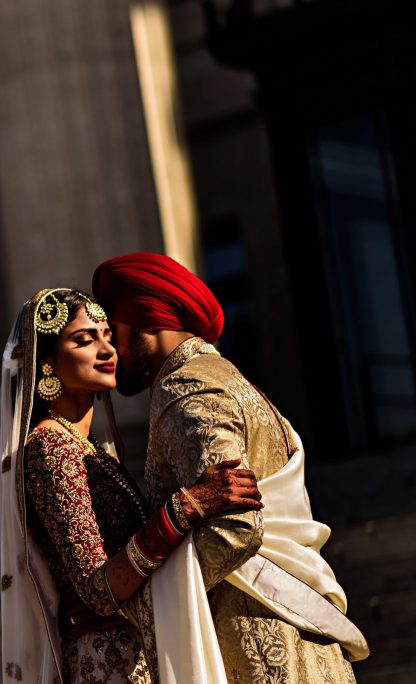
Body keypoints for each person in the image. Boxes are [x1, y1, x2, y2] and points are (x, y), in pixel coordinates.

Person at [92, 252, 369, 683]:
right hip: (298, 629)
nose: (109, 348)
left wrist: (142, 603)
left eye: (113, 329)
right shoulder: (230, 378)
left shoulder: (186, 387)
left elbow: (236, 526)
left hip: (259, 645)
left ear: (146, 317)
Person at [0, 288, 264, 683]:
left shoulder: (88, 449)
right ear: (48, 363)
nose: (107, 349)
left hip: (136, 655)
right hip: (107, 664)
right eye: (85, 340)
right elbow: (98, 590)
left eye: (108, 335)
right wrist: (185, 507)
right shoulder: (51, 447)